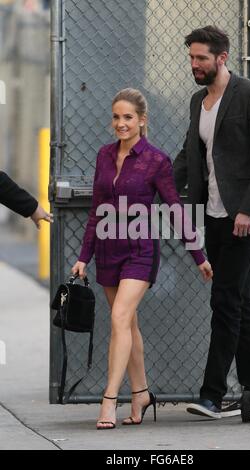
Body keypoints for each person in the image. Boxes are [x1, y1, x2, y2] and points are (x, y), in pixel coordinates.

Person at [71, 88, 213, 429]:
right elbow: (95, 211)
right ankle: (141, 393)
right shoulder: (104, 156)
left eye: (128, 118)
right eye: (117, 117)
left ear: (142, 121)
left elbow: (175, 210)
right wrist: (83, 257)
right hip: (108, 251)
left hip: (139, 251)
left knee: (120, 316)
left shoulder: (155, 160)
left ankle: (109, 401)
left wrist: (198, 254)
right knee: (128, 325)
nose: (121, 123)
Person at [173, 26, 250, 419]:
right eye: (191, 58)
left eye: (201, 58)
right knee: (239, 301)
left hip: (247, 217)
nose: (194, 65)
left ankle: (211, 395)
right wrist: (155, 186)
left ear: (222, 57)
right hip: (213, 215)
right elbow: (189, 154)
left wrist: (248, 209)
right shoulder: (199, 101)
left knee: (225, 299)